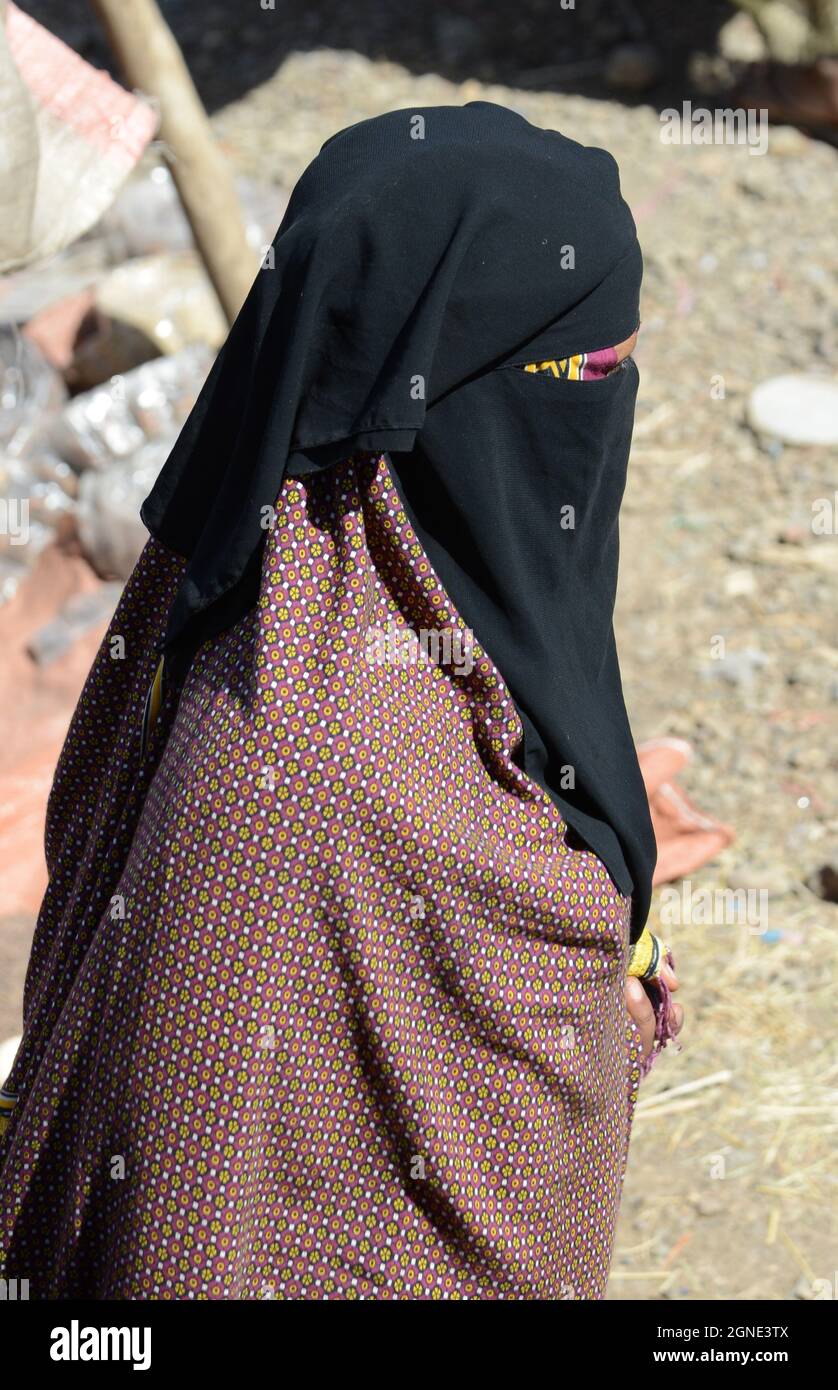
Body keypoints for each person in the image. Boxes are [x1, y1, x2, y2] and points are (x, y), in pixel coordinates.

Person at [0, 102, 681, 1300]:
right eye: (585, 373)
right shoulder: (317, 765)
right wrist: (620, 1006)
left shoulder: (274, 573)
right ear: (449, 390)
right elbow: (212, 1225)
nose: (604, 405)